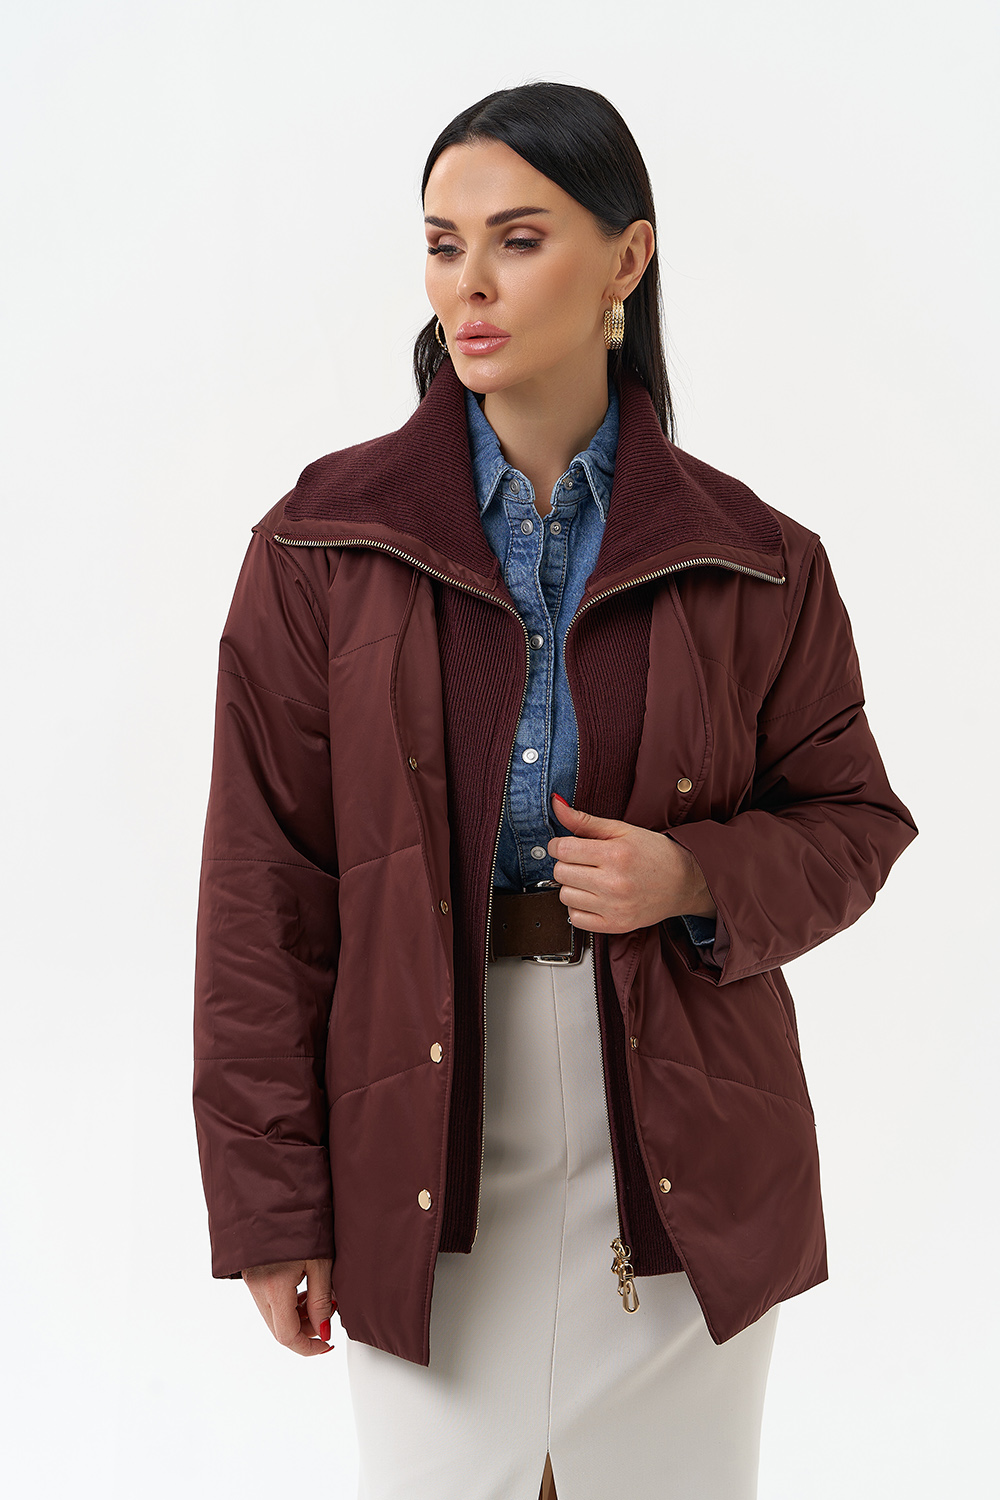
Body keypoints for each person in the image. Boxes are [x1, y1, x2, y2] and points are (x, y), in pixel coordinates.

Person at [192, 81, 918, 1500]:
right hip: (419, 1133)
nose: (468, 282)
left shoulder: (759, 557)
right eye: (442, 243)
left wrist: (695, 876)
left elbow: (854, 820)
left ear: (626, 262)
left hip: (680, 1143)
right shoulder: (320, 545)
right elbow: (260, 892)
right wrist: (272, 1208)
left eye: (517, 240)